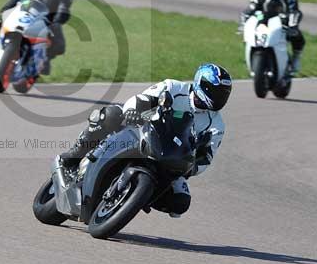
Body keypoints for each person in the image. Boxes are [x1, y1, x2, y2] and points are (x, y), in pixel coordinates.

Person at [57, 63, 232, 218]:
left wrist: (191, 167)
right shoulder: (174, 87)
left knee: (180, 202)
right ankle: (74, 155)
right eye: (214, 91)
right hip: (143, 131)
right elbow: (142, 98)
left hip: (171, 157)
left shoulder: (217, 124)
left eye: (223, 94)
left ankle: (136, 197)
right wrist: (133, 110)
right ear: (200, 83)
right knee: (112, 114)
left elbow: (207, 156)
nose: (218, 98)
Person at [0, 0, 73, 74]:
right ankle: (5, 44)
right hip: (29, 13)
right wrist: (5, 9)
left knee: (60, 45)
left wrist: (57, 21)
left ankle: (45, 59)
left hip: (50, 20)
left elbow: (64, 8)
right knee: (4, 20)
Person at [241, 0, 305, 74]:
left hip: (283, 23)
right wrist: (244, 24)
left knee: (298, 36)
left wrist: (293, 26)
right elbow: (249, 10)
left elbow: (295, 12)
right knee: (248, 36)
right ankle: (250, 56)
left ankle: (296, 58)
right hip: (263, 22)